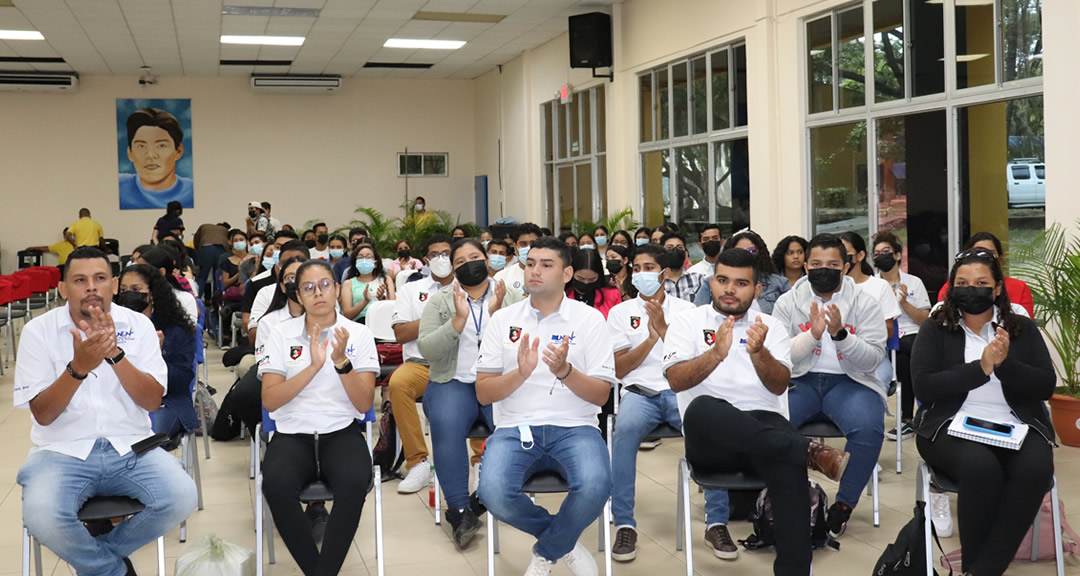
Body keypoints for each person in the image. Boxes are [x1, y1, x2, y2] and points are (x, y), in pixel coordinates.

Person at [664, 247, 850, 576]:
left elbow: (779, 386)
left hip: (766, 435)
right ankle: (806, 449)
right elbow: (677, 381)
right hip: (712, 443)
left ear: (757, 289)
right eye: (722, 280)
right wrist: (715, 355)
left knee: (788, 468)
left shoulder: (771, 326)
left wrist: (759, 352)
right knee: (703, 406)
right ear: (712, 282)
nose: (730, 289)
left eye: (741, 283)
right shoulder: (687, 322)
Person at [15, 247, 198, 576]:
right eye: (80, 280)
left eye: (100, 279)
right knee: (41, 517)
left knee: (182, 497)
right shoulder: (37, 332)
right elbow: (43, 414)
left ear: (114, 285)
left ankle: (100, 561)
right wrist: (78, 369)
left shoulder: (139, 326)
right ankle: (115, 571)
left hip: (130, 447)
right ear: (63, 289)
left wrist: (115, 355)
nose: (91, 287)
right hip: (60, 451)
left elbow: (153, 401)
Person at [911, 247, 1056, 576]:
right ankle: (978, 566)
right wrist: (982, 367)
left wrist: (1005, 365)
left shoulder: (1020, 328)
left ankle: (982, 570)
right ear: (951, 287)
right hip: (948, 425)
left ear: (997, 288)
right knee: (981, 469)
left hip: (1016, 424)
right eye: (962, 282)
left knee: (1035, 470)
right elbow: (924, 386)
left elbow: (1045, 385)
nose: (970, 289)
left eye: (980, 282)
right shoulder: (936, 327)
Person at [476, 237, 615, 576]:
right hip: (514, 428)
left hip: (576, 427)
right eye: (530, 263)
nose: (534, 270)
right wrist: (520, 374)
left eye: (546, 264)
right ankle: (562, 541)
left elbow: (601, 396)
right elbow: (483, 392)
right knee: (492, 492)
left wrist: (564, 372)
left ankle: (547, 551)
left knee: (596, 484)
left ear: (567, 273)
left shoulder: (590, 320)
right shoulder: (502, 320)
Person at [258, 259, 379, 576]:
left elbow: (364, 401)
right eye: (308, 288)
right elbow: (270, 400)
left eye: (325, 284)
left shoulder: (359, 334)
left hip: (341, 431)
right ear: (298, 295)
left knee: (355, 482)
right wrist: (312, 367)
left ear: (338, 289)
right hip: (291, 433)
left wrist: (341, 363)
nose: (318, 293)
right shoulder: (280, 334)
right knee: (276, 485)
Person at [772, 233, 887, 538]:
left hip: (851, 382)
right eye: (817, 263)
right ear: (806, 266)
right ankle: (795, 481)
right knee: (770, 424)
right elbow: (780, 355)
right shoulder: (787, 302)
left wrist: (840, 335)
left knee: (868, 427)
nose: (824, 269)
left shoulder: (866, 303)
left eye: (833, 264)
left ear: (846, 266)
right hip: (801, 381)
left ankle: (843, 507)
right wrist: (812, 334)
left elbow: (872, 360)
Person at [606, 244, 701, 562]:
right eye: (636, 268)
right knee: (624, 435)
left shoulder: (687, 312)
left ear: (663, 273)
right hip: (639, 393)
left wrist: (663, 331)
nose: (641, 274)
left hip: (678, 392)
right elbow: (620, 369)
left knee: (707, 433)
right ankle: (624, 524)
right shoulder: (620, 312)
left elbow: (691, 362)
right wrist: (650, 338)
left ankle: (717, 521)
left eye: (649, 268)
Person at [417, 239, 511, 548]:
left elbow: (522, 346)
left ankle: (481, 498)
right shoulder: (439, 301)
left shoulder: (511, 296)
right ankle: (459, 510)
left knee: (515, 431)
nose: (469, 264)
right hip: (452, 381)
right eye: (460, 261)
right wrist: (458, 321)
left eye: (475, 257)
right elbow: (427, 349)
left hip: (497, 381)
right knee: (446, 425)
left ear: (487, 260)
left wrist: (496, 315)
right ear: (453, 269)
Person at [388, 234, 461, 494]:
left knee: (482, 382)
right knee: (397, 383)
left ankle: (479, 461)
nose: (441, 259)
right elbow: (401, 333)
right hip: (421, 364)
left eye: (446, 254)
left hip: (459, 363)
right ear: (426, 260)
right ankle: (418, 461)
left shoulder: (467, 287)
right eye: (435, 254)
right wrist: (443, 317)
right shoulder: (410, 289)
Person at [116, 264, 198, 438]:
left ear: (152, 294)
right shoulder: (112, 326)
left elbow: (182, 380)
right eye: (123, 290)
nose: (128, 294)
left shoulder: (176, 329)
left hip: (166, 403)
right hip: (117, 400)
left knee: (142, 438)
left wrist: (157, 356)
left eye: (136, 289)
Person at [872, 231, 931, 440]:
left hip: (911, 335)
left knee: (908, 356)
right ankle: (920, 414)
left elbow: (924, 320)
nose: (881, 256)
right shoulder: (871, 286)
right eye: (877, 253)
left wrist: (904, 302)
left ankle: (908, 420)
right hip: (884, 338)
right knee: (910, 355)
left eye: (886, 251)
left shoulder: (913, 282)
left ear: (898, 255)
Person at [840, 231, 903, 388]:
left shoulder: (879, 286)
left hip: (874, 357)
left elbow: (888, 330)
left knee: (872, 386)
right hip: (838, 357)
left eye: (845, 254)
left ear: (860, 256)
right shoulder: (832, 288)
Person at [936, 232, 1034, 317]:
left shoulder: (1019, 288)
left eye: (991, 253)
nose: (985, 257)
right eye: (978, 252)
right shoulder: (950, 287)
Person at [697, 230, 790, 314]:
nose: (746, 254)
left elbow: (789, 316)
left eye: (752, 250)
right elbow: (698, 313)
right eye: (740, 250)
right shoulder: (710, 282)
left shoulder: (780, 283)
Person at [119, 108, 193, 210]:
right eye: (141, 146)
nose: (150, 155)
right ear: (130, 153)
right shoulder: (119, 187)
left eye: (161, 146)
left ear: (178, 151)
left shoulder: (191, 191)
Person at [137, 247, 199, 326]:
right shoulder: (135, 295)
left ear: (162, 271)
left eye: (144, 270)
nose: (138, 275)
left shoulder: (184, 298)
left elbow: (189, 329)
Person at [341, 242, 394, 323]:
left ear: (375, 263)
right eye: (360, 257)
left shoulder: (386, 279)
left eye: (369, 257)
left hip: (383, 321)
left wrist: (382, 299)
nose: (364, 260)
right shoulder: (348, 283)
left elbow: (393, 306)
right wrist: (365, 301)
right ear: (356, 262)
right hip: (360, 322)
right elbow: (347, 315)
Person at [493, 223, 541, 302]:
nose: (528, 248)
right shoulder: (502, 277)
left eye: (533, 244)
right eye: (523, 244)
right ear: (515, 247)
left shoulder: (551, 274)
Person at [567, 248, 621, 319]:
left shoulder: (612, 296)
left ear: (599, 276)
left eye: (592, 279)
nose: (586, 282)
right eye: (580, 278)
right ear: (571, 273)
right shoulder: (561, 295)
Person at [661, 232, 703, 302]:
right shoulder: (657, 282)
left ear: (686, 253)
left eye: (679, 247)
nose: (675, 250)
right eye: (669, 247)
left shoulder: (698, 279)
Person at [193, 222, 229, 295]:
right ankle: (217, 301)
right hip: (221, 249)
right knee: (218, 276)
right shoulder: (225, 230)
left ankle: (196, 298)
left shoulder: (204, 226)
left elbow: (196, 238)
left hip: (205, 249)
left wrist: (198, 252)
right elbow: (228, 244)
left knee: (202, 277)